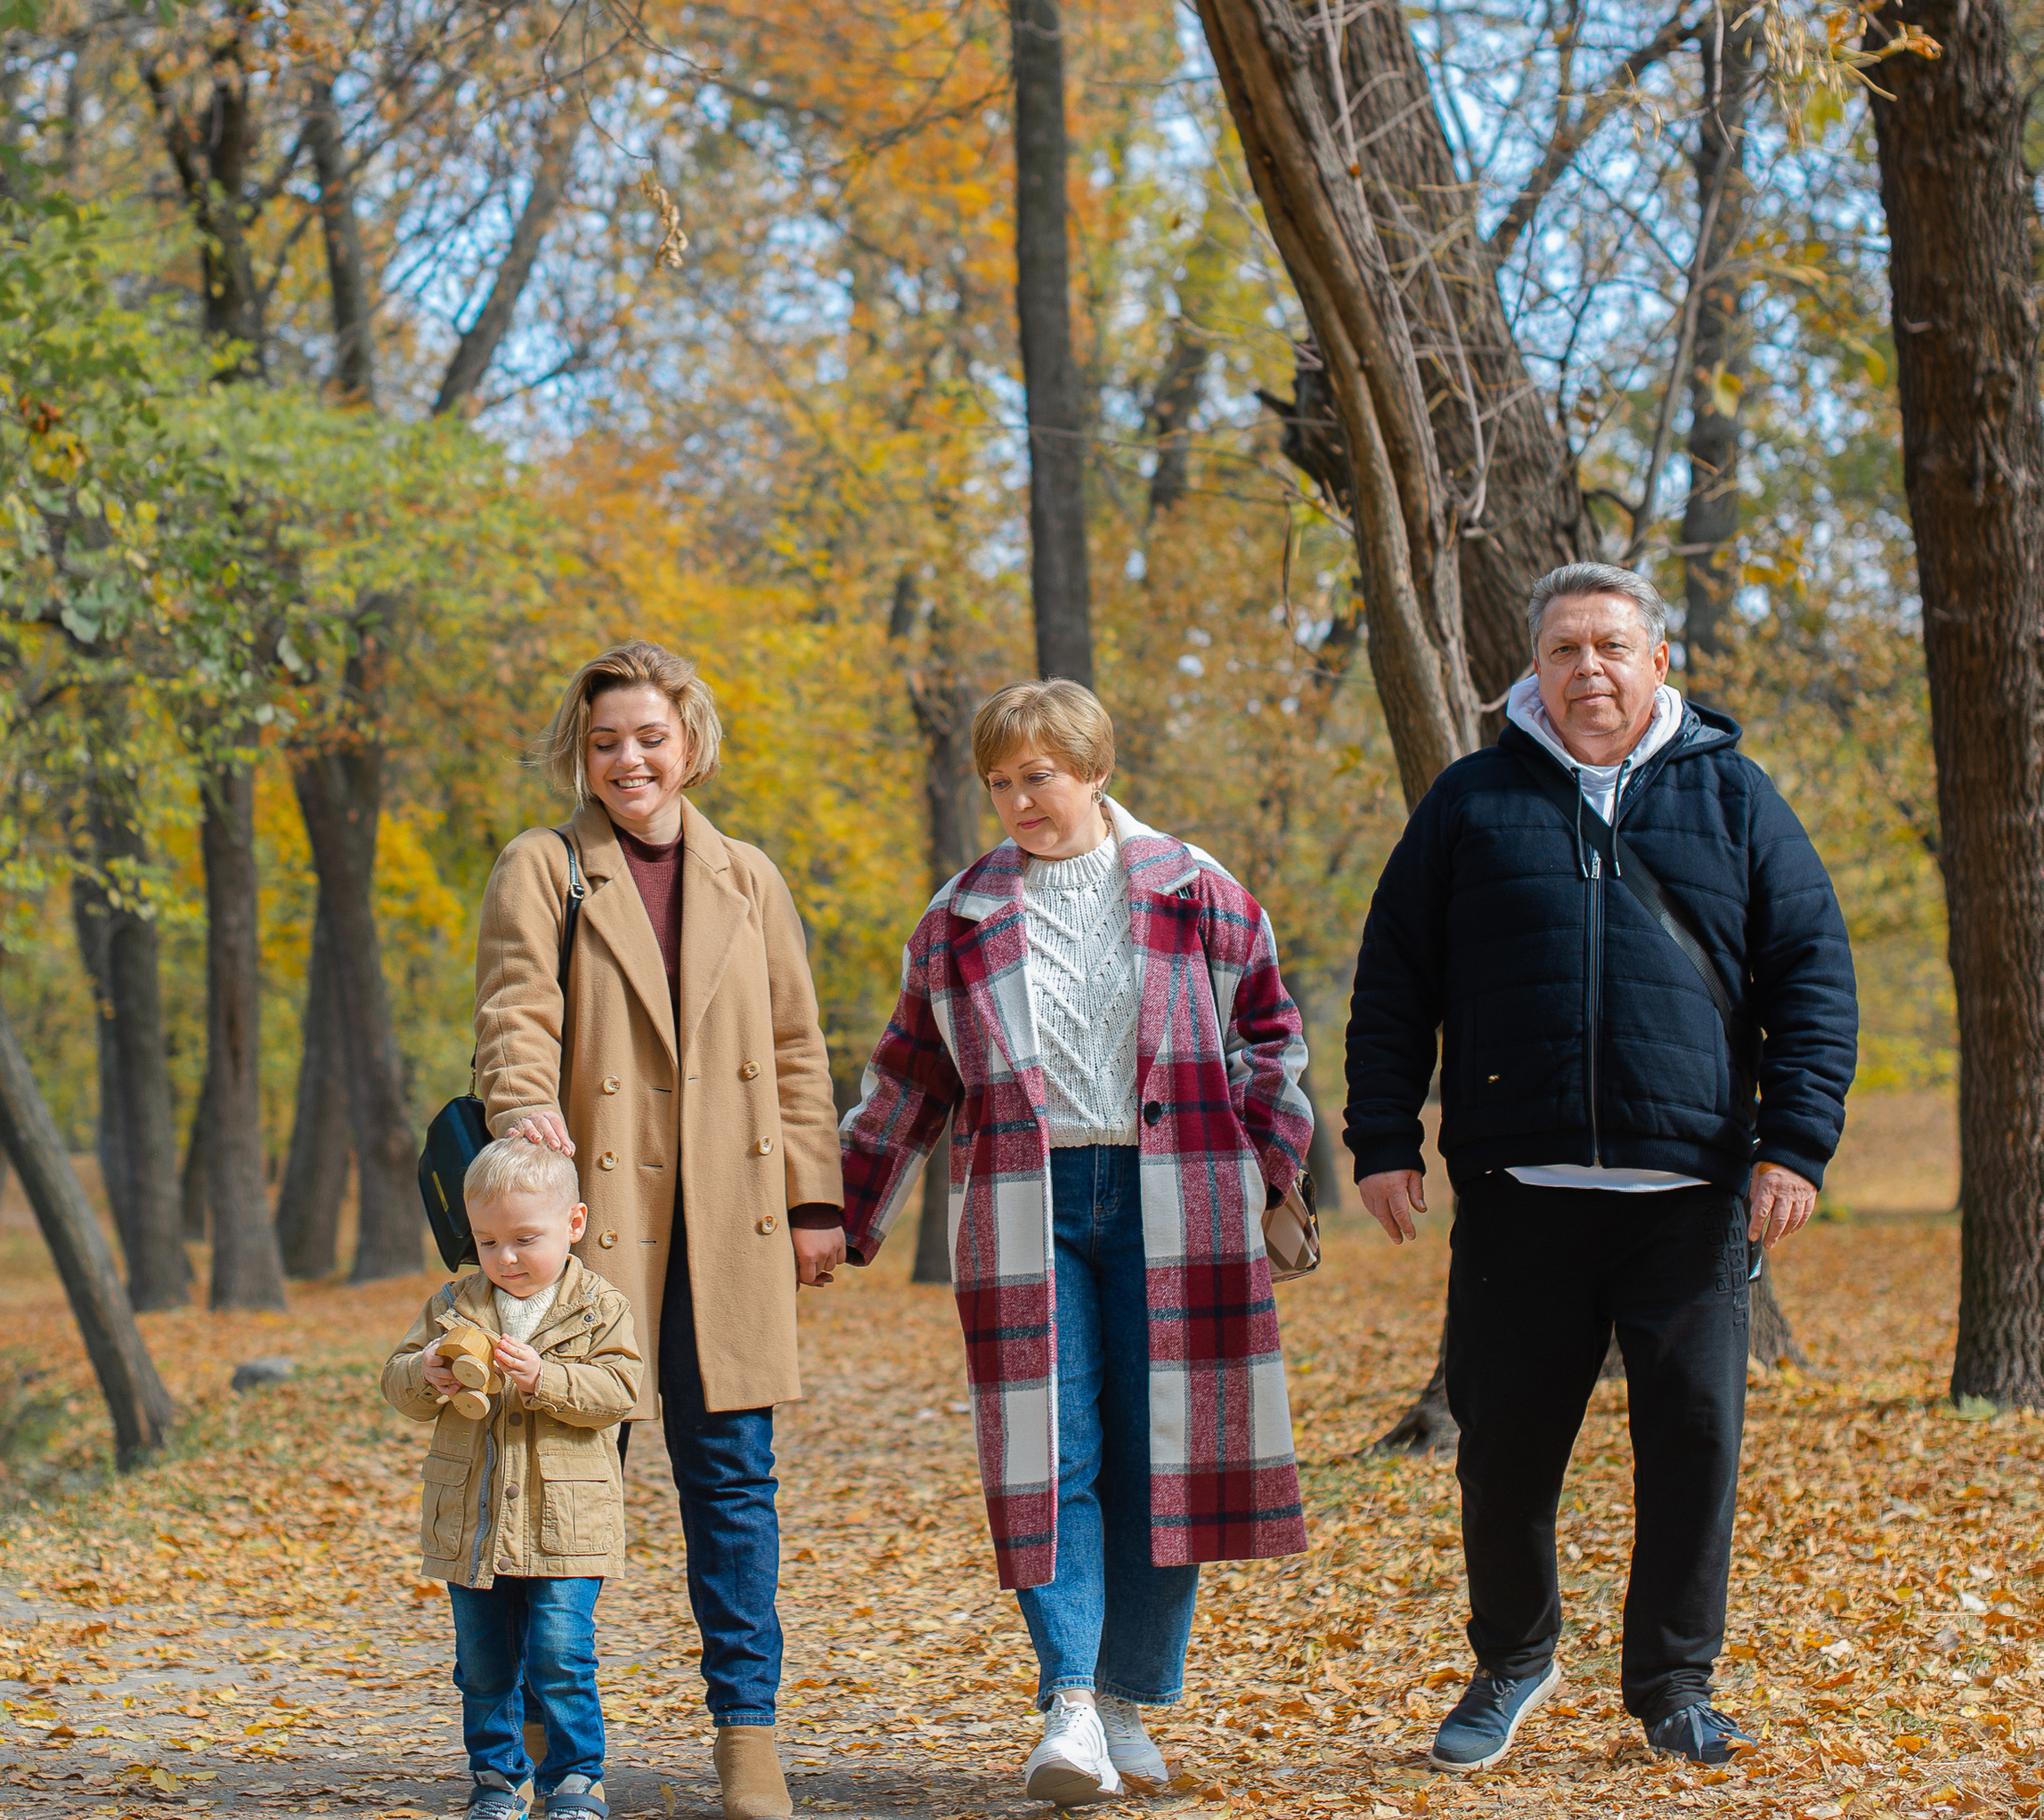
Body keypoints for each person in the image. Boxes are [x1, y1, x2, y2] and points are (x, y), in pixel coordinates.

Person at [1344, 562, 1859, 1773]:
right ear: (1536, 668)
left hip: (1689, 1202)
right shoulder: (1471, 803)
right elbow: (1392, 981)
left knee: (1693, 1446)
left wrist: (1795, 1143)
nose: (1590, 670)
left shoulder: (1735, 798)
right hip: (1521, 1201)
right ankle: (1512, 1660)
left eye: (1613, 647)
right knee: (1506, 1453)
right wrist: (1380, 1138)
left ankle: (1675, 1685)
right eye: (1566, 648)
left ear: (1656, 663)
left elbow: (1815, 978)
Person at [839, 679, 1314, 1808]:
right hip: (1026, 1203)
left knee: (1169, 1458)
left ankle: (1125, 1702)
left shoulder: (1198, 891)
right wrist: (846, 1212)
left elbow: (1271, 1041)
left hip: (1179, 1205)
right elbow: (906, 1075)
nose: (1018, 800)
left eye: (1038, 776)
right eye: (1000, 782)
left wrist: (1265, 1165)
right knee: (1049, 1456)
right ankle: (1066, 1699)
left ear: (1096, 770)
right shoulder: (957, 918)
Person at [471, 640, 846, 1820]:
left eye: (648, 736)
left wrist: (814, 1201)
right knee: (566, 1473)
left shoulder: (749, 878)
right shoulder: (545, 867)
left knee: (734, 1483)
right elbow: (516, 1010)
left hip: (730, 1228)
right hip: (593, 1226)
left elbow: (794, 1047)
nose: (628, 759)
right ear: (578, 756)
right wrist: (522, 1109)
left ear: (689, 743)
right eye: (604, 742)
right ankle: (545, 1736)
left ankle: (749, 1739)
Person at [382, 1137, 641, 1820]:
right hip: (474, 1520)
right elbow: (398, 1382)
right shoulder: (456, 1301)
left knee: (561, 1653)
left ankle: (577, 1778)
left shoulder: (598, 1306)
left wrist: (544, 1377)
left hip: (567, 1524)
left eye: (526, 1238)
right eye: (488, 1240)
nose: (506, 1258)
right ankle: (498, 1780)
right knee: (484, 1663)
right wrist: (427, 1372)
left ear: (574, 1225)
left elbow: (620, 1390)